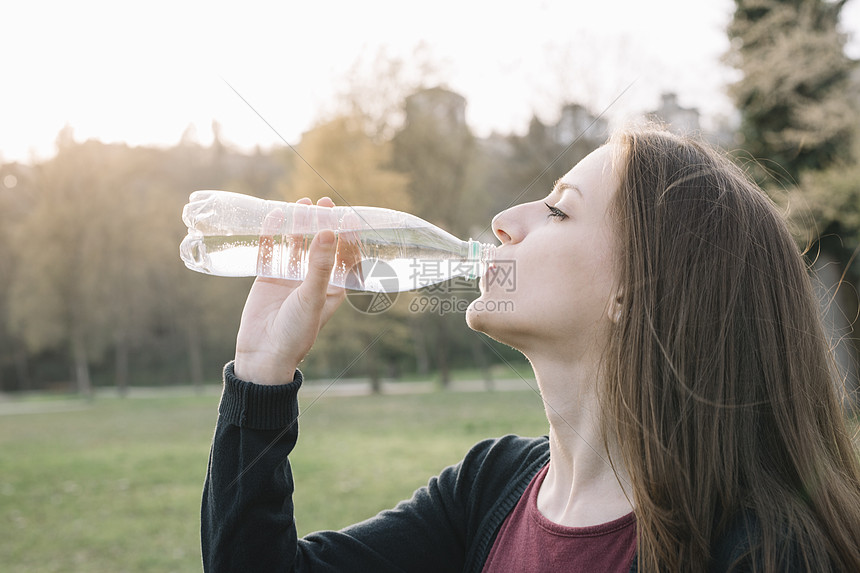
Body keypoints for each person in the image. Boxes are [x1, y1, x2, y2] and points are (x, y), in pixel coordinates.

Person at [201, 126, 860, 572]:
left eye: (559, 209)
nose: (503, 222)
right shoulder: (489, 488)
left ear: (634, 291)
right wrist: (262, 370)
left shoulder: (762, 552)